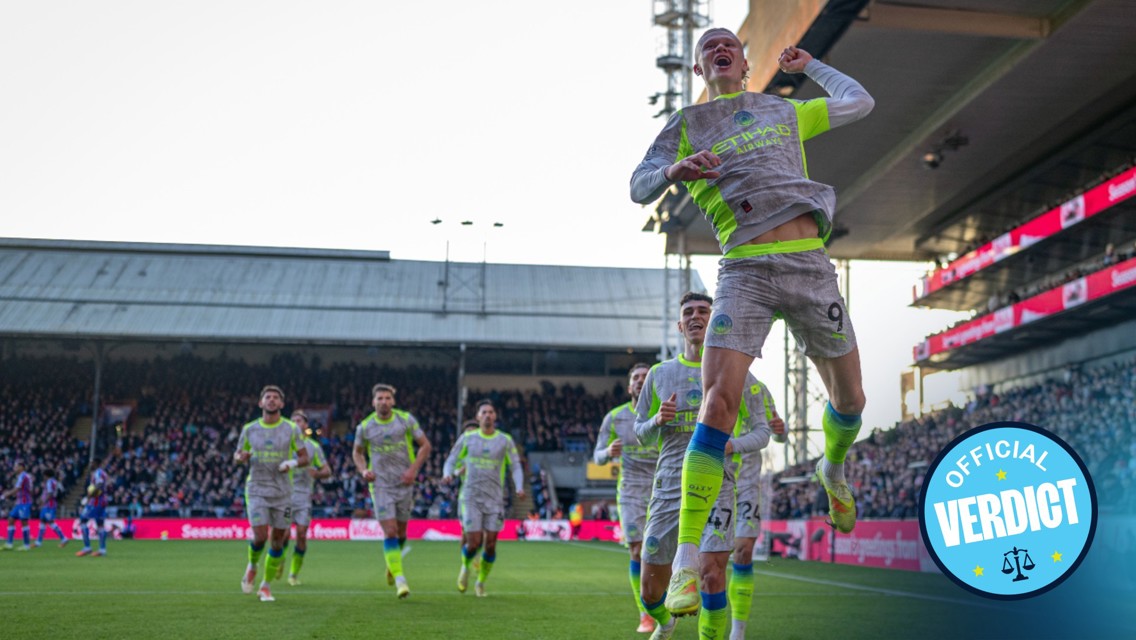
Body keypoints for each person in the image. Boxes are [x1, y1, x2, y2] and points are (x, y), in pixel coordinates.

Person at [631, 28, 874, 615]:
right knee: (716, 403)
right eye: (708, 46)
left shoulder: (783, 110)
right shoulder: (686, 123)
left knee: (853, 400)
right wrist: (674, 171)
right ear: (698, 67)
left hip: (809, 264)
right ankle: (688, 561)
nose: (719, 48)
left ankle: (833, 468)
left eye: (729, 44)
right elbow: (637, 186)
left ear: (745, 62)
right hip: (743, 268)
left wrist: (812, 64)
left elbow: (861, 102)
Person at [633, 292, 773, 640]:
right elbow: (640, 434)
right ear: (680, 325)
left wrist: (732, 445)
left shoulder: (737, 375)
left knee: (712, 572)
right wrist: (655, 422)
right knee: (651, 589)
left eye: (703, 312)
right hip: (667, 488)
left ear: (714, 323)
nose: (696, 317)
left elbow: (763, 431)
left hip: (717, 485)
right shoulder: (659, 374)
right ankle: (664, 623)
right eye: (689, 313)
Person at [593, 362, 659, 633]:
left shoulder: (663, 412)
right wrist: (608, 451)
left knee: (660, 552)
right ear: (630, 385)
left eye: (646, 376)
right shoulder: (615, 417)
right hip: (630, 491)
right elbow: (596, 456)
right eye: (636, 377)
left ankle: (663, 599)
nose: (641, 380)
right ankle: (645, 613)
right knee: (636, 550)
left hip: (663, 489)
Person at [352, 383, 433, 599]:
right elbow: (357, 453)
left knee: (402, 532)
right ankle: (400, 579)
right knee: (390, 532)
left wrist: (413, 470)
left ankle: (392, 563)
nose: (384, 402)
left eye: (387, 398)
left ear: (393, 401)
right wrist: (363, 470)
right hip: (380, 485)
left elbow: (425, 445)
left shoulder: (406, 420)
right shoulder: (365, 426)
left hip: (404, 483)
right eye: (379, 398)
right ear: (373, 402)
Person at [234, 385, 310, 602]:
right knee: (259, 536)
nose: (272, 400)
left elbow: (304, 457)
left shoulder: (291, 429)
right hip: (257, 488)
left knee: (277, 541)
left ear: (282, 404)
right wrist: (240, 458)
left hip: (283, 492)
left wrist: (292, 462)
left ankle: (265, 586)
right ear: (261, 403)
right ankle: (252, 565)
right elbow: (238, 454)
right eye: (268, 397)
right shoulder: (249, 429)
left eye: (276, 397)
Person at [442, 399, 524, 597]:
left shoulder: (504, 440)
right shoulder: (468, 438)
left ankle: (480, 582)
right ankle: (465, 567)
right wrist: (448, 472)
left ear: (495, 416)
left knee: (491, 544)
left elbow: (515, 465)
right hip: (471, 497)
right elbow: (452, 458)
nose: (487, 415)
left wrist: (519, 486)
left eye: (491, 412)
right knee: (474, 541)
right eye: (484, 412)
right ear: (478, 417)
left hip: (495, 499)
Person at [728, 381, 785, 640]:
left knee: (744, 551)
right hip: (715, 478)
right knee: (708, 561)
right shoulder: (707, 375)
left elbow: (778, 433)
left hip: (748, 482)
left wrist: (782, 432)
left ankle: (738, 630)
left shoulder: (758, 389)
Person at [279, 410, 331, 586]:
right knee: (283, 534)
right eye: (292, 420)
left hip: (303, 498)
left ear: (305, 425)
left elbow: (327, 471)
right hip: (284, 495)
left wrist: (316, 473)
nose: (295, 423)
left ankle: (293, 574)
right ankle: (280, 560)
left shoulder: (313, 447)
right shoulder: (283, 445)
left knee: (301, 535)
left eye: (299, 420)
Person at [75, 466, 111, 557]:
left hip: (95, 502)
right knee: (100, 525)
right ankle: (102, 550)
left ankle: (87, 547)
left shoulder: (97, 473)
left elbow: (99, 484)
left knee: (83, 520)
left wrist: (90, 495)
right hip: (102, 502)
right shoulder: (103, 473)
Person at [3, 461, 33, 551]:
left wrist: (5, 495)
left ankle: (26, 545)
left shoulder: (23, 476)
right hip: (20, 502)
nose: (14, 468)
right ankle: (9, 544)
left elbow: (17, 489)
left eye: (16, 467)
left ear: (21, 467)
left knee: (24, 522)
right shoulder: (23, 476)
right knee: (11, 519)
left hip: (24, 502)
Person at [35, 468, 68, 547]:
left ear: (46, 475)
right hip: (49, 504)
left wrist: (44, 501)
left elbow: (50, 493)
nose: (43, 477)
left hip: (49, 505)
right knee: (43, 521)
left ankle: (64, 538)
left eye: (44, 475)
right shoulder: (55, 481)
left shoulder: (50, 482)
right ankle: (38, 542)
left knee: (50, 522)